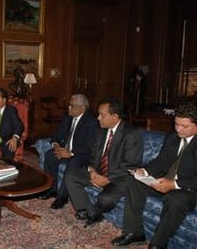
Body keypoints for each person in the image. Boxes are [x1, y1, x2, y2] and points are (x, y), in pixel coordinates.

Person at [112, 102, 197, 249]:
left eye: (184, 126)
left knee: (175, 199)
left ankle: (158, 244)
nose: (178, 129)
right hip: (165, 182)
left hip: (188, 189)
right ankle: (135, 233)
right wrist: (144, 172)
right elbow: (160, 162)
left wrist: (174, 185)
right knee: (133, 181)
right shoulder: (172, 138)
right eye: (176, 124)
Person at [65, 97, 143, 227]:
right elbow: (94, 154)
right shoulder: (101, 130)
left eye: (102, 115)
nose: (98, 118)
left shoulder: (132, 134)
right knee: (71, 176)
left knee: (105, 199)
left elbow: (131, 165)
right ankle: (87, 211)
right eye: (98, 114)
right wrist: (92, 170)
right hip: (100, 171)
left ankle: (95, 212)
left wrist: (108, 179)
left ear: (114, 117)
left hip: (120, 177)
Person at [39, 94, 98, 210]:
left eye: (72, 106)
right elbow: (56, 136)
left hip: (81, 155)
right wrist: (56, 147)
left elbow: (90, 147)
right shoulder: (68, 118)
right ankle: (52, 189)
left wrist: (70, 153)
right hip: (65, 151)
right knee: (50, 155)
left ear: (82, 108)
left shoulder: (91, 122)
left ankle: (62, 197)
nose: (69, 108)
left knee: (73, 163)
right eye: (69, 105)